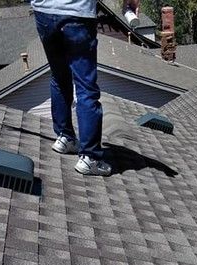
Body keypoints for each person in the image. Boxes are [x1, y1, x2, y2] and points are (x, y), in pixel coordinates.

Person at [31, 0, 139, 176]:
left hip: (43, 11)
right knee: (86, 88)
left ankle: (65, 138)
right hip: (76, 13)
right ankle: (90, 158)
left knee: (59, 76)